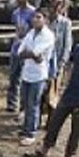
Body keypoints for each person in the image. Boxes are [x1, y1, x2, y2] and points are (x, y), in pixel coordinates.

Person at [25, 19, 79, 157]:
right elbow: (69, 64)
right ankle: (45, 148)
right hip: (69, 93)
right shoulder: (78, 49)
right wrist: (63, 82)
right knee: (54, 122)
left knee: (76, 131)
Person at [18, 8, 55, 146]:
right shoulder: (30, 33)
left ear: (45, 20)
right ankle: (26, 128)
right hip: (27, 72)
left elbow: (35, 52)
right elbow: (20, 51)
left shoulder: (48, 36)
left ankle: (31, 133)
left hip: (38, 75)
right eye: (34, 17)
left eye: (38, 17)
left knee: (33, 104)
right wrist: (33, 55)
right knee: (26, 103)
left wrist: (32, 54)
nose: (35, 19)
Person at [43, 0, 73, 125]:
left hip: (56, 63)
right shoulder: (44, 21)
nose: (52, 8)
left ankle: (51, 121)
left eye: (55, 5)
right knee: (40, 92)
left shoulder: (65, 23)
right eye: (50, 4)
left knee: (53, 93)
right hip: (42, 62)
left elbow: (67, 45)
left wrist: (61, 63)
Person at [5, 22, 26, 113]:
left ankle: (21, 106)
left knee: (22, 81)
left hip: (23, 56)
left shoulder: (25, 41)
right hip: (15, 55)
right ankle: (12, 104)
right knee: (13, 79)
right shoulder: (16, 13)